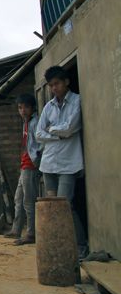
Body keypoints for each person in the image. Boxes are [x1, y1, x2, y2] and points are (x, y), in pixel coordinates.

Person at [36, 66, 88, 258]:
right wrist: (58, 134)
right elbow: (39, 134)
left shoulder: (76, 101)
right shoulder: (48, 106)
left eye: (56, 84)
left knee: (65, 206)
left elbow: (71, 127)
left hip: (68, 164)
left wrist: (52, 130)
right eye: (51, 85)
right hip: (49, 164)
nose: (54, 88)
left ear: (66, 81)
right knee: (51, 207)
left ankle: (81, 246)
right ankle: (58, 247)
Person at [4, 94, 41, 245]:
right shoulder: (26, 123)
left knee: (28, 201)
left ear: (32, 108)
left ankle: (31, 234)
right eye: (20, 107)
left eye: (26, 107)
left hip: (31, 166)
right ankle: (16, 230)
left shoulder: (35, 122)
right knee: (18, 199)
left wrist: (37, 160)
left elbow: (41, 143)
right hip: (24, 165)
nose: (23, 110)